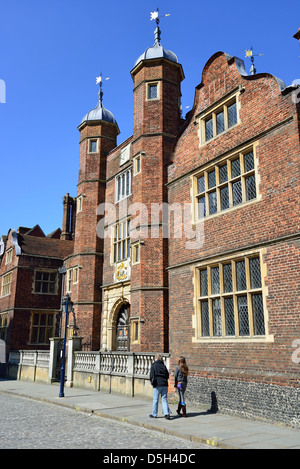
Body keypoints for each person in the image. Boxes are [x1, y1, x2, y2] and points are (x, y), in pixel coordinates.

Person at [149, 354, 170, 420]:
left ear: (156, 359)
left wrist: (153, 383)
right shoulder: (163, 366)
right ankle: (166, 414)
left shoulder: (154, 366)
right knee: (164, 399)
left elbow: (151, 376)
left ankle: (154, 414)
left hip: (157, 384)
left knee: (155, 400)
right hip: (164, 384)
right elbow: (167, 375)